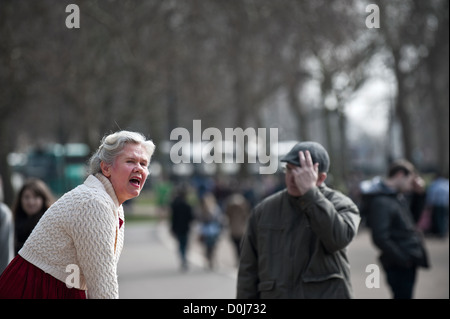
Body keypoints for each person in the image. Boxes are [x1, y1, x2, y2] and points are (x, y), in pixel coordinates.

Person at [0, 131, 155, 299]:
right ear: (106, 168)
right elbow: (103, 288)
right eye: (130, 161)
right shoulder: (94, 202)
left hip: (59, 287)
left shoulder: (109, 201)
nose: (139, 168)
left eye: (144, 163)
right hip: (37, 289)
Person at [237, 141, 360, 299]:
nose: (293, 178)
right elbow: (248, 271)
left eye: (301, 173)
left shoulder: (342, 205)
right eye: (289, 170)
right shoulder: (264, 211)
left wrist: (310, 194)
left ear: (321, 178)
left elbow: (338, 238)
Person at [366, 159, 429, 299]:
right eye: (409, 180)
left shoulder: (397, 197)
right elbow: (380, 237)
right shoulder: (382, 201)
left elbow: (412, 220)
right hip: (398, 262)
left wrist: (419, 195)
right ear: (400, 175)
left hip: (406, 259)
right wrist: (403, 258)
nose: (410, 185)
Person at [12, 178, 55, 254]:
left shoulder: (50, 224)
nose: (31, 202)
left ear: (43, 199)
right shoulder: (13, 223)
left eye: (35, 197)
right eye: (27, 197)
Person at [170, 184, 195, 271]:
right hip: (185, 227)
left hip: (178, 227)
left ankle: (183, 258)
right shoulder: (187, 205)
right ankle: (184, 258)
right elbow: (191, 217)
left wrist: (172, 228)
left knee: (181, 244)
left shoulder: (175, 204)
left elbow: (173, 218)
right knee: (184, 243)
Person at [198, 192, 223, 270]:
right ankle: (211, 260)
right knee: (212, 246)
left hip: (208, 230)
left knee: (209, 247)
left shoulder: (210, 209)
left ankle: (210, 260)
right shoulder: (213, 208)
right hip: (212, 230)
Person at [224, 193, 250, 263]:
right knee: (240, 246)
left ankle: (240, 259)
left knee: (237, 247)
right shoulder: (242, 210)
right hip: (240, 231)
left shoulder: (231, 210)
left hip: (236, 231)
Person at [425, 172, 449, 238]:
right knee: (445, 218)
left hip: (437, 204)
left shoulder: (435, 184)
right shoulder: (447, 183)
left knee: (439, 219)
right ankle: (443, 232)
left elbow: (432, 195)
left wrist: (429, 203)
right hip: (446, 204)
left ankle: (440, 232)